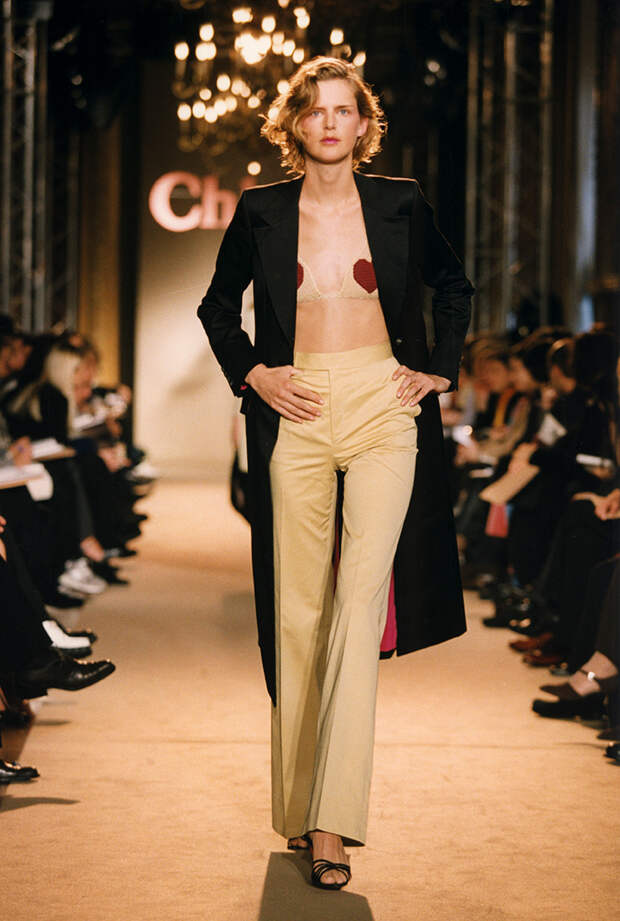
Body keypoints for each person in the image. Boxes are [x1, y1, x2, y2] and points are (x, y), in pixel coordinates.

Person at [198, 57, 473, 890]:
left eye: (343, 109)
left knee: (358, 605)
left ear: (363, 124)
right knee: (298, 614)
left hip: (383, 403)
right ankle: (297, 804)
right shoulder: (262, 209)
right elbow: (217, 306)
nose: (329, 122)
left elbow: (453, 285)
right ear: (294, 124)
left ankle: (332, 823)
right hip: (298, 405)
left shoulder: (400, 200)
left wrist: (441, 368)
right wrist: (255, 373)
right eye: (315, 109)